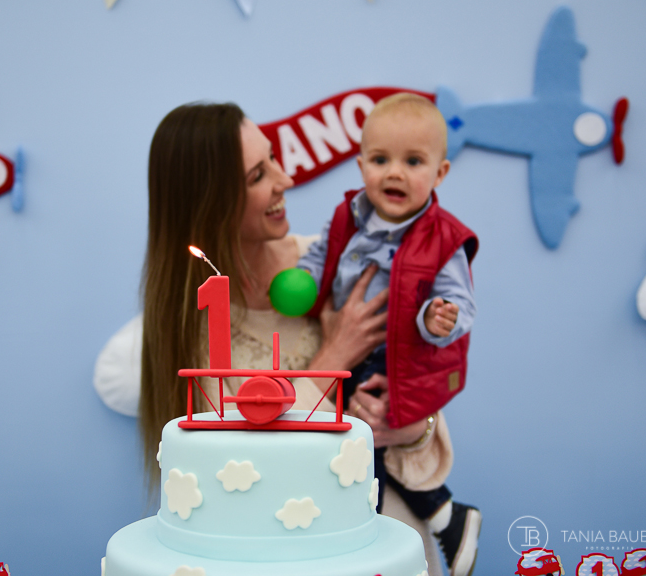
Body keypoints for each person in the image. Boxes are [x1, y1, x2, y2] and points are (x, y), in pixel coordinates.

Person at [94, 101, 456, 576]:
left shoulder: (336, 266)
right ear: (209, 203)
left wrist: (415, 428)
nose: (284, 181)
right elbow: (243, 470)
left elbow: (420, 393)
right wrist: (334, 355)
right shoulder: (198, 326)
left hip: (382, 543)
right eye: (257, 176)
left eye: (273, 159)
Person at [296, 93, 480, 576]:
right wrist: (305, 278)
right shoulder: (349, 217)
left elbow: (458, 302)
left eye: (413, 162)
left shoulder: (442, 238)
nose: (394, 173)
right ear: (361, 166)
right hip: (352, 354)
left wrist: (437, 318)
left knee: (362, 444)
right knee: (342, 442)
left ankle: (369, 530)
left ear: (440, 173)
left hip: (397, 358)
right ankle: (446, 515)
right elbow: (321, 253)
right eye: (380, 160)